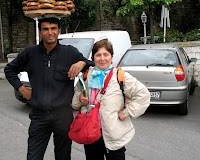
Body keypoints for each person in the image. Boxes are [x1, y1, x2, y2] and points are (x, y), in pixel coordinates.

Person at [4, 17, 94, 160]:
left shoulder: (69, 52)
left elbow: (92, 65)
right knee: (33, 156)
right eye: (45, 29)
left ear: (59, 31)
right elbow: (9, 69)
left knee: (63, 156)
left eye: (53, 29)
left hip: (63, 116)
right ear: (40, 32)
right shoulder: (30, 53)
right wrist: (22, 89)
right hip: (39, 116)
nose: (49, 32)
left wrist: (82, 63)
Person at [72, 39, 150, 160]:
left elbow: (143, 95)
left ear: (111, 57)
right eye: (98, 55)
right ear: (93, 58)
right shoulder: (87, 76)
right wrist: (80, 98)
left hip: (113, 135)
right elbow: (75, 103)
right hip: (90, 132)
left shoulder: (120, 76)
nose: (102, 58)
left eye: (106, 54)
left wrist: (126, 113)